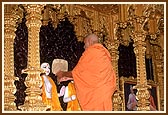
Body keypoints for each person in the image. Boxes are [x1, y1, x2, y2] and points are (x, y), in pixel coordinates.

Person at [55, 33, 117, 111]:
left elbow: (79, 73)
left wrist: (62, 74)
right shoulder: (104, 55)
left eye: (85, 44)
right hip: (105, 96)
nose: (84, 47)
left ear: (90, 41)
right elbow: (91, 76)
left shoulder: (92, 51)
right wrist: (70, 77)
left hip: (96, 97)